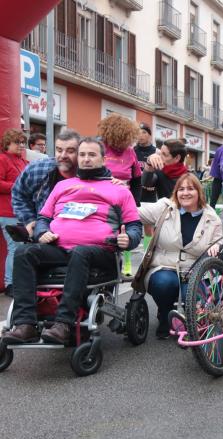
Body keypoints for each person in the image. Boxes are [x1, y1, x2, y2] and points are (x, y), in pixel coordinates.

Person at [1, 138, 142, 345]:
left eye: (92, 155)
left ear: (103, 159)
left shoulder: (119, 190)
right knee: (24, 252)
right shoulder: (63, 186)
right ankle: (25, 324)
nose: (86, 159)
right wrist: (41, 232)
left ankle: (64, 324)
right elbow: (44, 218)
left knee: (81, 252)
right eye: (83, 154)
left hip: (99, 253)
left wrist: (128, 238)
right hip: (60, 249)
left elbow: (134, 226)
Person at [137, 173, 222, 338]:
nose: (185, 193)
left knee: (195, 294)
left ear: (199, 192)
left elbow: (219, 240)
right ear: (176, 193)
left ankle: (191, 318)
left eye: (190, 189)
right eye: (181, 189)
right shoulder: (165, 207)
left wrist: (217, 245)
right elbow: (134, 212)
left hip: (195, 268)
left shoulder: (212, 218)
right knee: (164, 283)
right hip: (164, 265)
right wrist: (120, 194)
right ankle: (165, 315)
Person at [12, 129, 81, 239]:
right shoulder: (37, 169)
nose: (63, 155)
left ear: (80, 153)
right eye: (59, 150)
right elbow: (18, 194)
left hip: (76, 238)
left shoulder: (89, 175)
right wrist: (29, 220)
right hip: (42, 235)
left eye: (70, 151)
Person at [98, 113, 143, 276]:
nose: (124, 144)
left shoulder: (130, 152)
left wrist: (135, 203)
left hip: (124, 200)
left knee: (125, 231)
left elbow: (137, 179)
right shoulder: (101, 148)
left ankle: (125, 263)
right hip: (103, 199)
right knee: (108, 233)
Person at [0, 129, 29, 296]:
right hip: (7, 211)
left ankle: (15, 282)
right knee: (16, 248)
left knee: (20, 248)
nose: (21, 145)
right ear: (7, 144)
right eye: (17, 142)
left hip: (20, 212)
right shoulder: (3, 159)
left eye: (22, 142)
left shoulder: (22, 161)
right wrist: (17, 186)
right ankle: (10, 284)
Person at [134, 123, 158, 204]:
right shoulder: (131, 151)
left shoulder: (157, 152)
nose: (140, 135)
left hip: (150, 193)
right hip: (135, 193)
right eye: (138, 132)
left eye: (144, 132)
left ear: (150, 135)